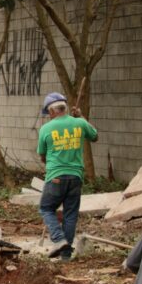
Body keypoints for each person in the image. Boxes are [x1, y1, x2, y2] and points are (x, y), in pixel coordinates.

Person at [36, 92, 98, 260]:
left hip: (55, 176)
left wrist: (50, 161)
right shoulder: (79, 123)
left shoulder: (46, 129)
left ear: (52, 111)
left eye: (49, 113)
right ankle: (65, 256)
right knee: (70, 215)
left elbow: (42, 155)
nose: (49, 116)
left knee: (46, 208)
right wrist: (81, 117)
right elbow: (94, 136)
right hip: (76, 177)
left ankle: (58, 239)